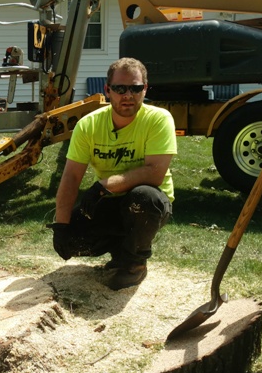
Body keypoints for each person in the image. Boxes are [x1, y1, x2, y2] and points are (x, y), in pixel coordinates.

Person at [51, 57, 176, 290]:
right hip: (109, 202)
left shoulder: (159, 119)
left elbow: (154, 173)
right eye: (120, 88)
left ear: (145, 89)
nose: (127, 95)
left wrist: (103, 186)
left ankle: (135, 264)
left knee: (144, 198)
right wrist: (61, 225)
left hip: (150, 203)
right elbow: (71, 177)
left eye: (135, 88)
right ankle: (121, 250)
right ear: (107, 90)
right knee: (71, 241)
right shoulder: (88, 125)